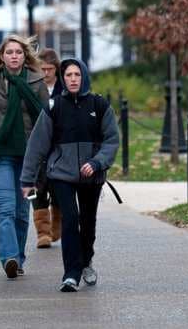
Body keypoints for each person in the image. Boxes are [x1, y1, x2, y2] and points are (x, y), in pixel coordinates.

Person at [21, 58, 119, 292]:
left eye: (77, 75)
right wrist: (27, 179)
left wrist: (97, 162)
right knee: (70, 219)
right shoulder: (54, 107)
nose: (73, 79)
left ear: (83, 76)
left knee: (88, 222)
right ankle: (71, 274)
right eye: (68, 75)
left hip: (91, 175)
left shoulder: (100, 105)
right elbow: (37, 145)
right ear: (63, 78)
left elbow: (112, 141)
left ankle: (86, 261)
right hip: (61, 175)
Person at [0, 34, 48, 278]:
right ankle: (10, 258)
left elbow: (47, 120)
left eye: (18, 52)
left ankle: (19, 257)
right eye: (9, 52)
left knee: (21, 212)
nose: (14, 56)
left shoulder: (37, 82)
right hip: (1, 155)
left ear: (25, 56)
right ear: (2, 58)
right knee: (6, 209)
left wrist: (42, 153)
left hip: (29, 158)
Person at [31, 48, 64, 249]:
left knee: (59, 187)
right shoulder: (33, 86)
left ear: (56, 68)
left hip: (60, 145)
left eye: (50, 68)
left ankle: (57, 225)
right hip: (37, 144)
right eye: (42, 68)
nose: (46, 73)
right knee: (36, 189)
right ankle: (42, 232)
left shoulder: (64, 87)